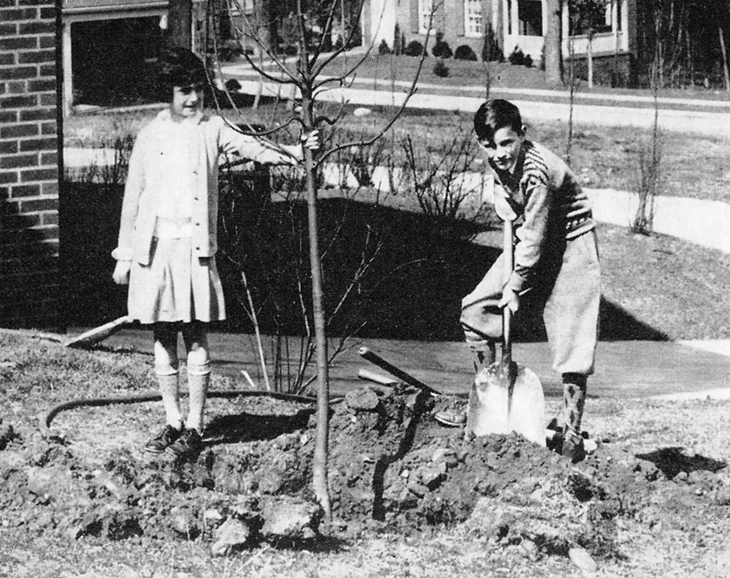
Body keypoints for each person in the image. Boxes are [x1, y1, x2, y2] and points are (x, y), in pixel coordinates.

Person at [112, 46, 319, 459]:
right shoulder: (150, 135)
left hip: (194, 250)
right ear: (167, 93)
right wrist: (124, 254)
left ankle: (195, 424)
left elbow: (253, 147)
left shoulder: (213, 128)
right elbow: (133, 198)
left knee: (196, 333)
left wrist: (297, 153)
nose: (192, 100)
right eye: (183, 91)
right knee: (162, 333)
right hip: (155, 251)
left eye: (198, 91)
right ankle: (172, 420)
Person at [435, 99, 600, 463]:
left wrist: (514, 287)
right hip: (528, 238)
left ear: (523, 136)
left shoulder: (537, 170)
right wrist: (502, 198)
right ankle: (493, 403)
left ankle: (572, 436)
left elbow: (536, 238)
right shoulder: (500, 160)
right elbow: (522, 224)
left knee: (572, 344)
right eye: (489, 146)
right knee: (475, 312)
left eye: (507, 143)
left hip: (571, 243)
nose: (498, 154)